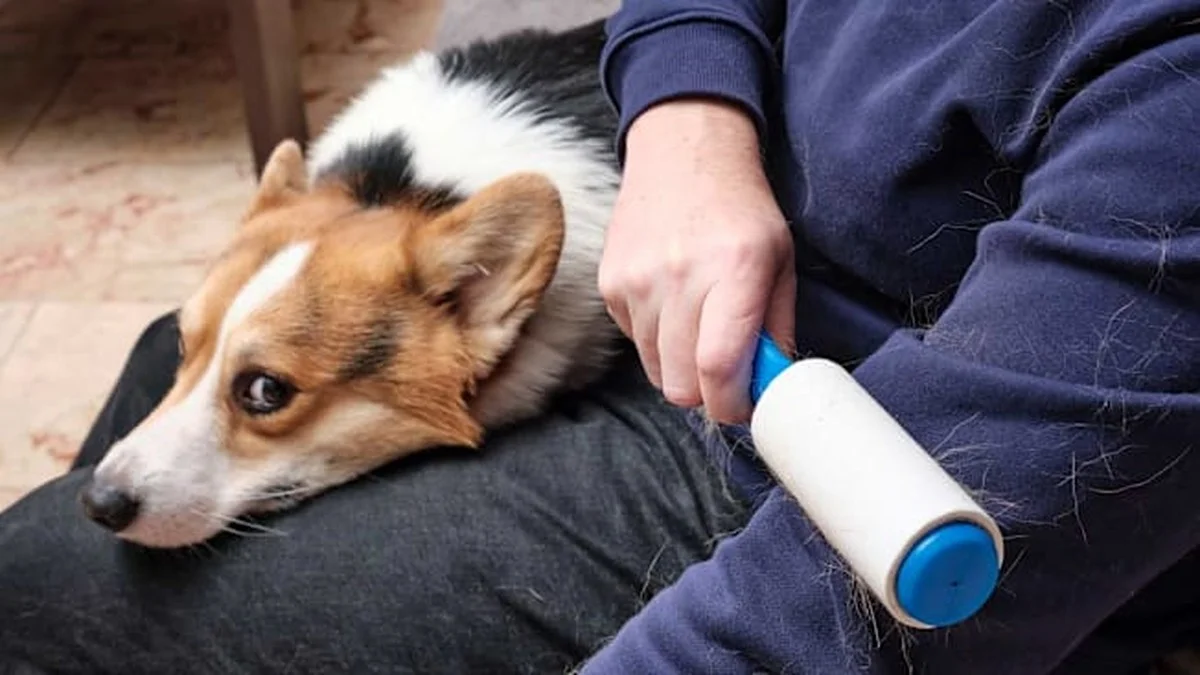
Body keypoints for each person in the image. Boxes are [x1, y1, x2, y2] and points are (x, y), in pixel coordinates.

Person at [3, 0, 1200, 672]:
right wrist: (691, 119)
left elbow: (904, 595)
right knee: (154, 374)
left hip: (832, 462)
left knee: (44, 586)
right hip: (693, 279)